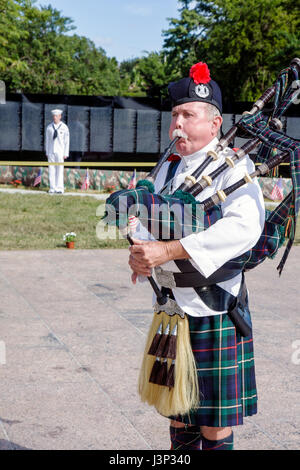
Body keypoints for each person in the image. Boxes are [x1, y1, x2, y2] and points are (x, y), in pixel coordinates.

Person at [128, 62, 265, 450]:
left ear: (215, 122)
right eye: (175, 115)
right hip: (172, 308)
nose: (177, 126)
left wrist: (167, 250)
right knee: (179, 416)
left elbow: (243, 229)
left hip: (213, 307)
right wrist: (139, 253)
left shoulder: (235, 167)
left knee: (213, 426)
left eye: (188, 115)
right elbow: (144, 221)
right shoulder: (167, 170)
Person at [45, 109, 69, 194]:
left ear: (60, 116)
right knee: (51, 169)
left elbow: (66, 141)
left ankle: (59, 188)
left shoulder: (64, 127)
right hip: (51, 151)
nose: (55, 117)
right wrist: (47, 152)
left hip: (60, 151)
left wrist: (65, 153)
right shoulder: (49, 127)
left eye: (56, 116)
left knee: (59, 169)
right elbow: (47, 141)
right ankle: (52, 188)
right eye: (54, 116)